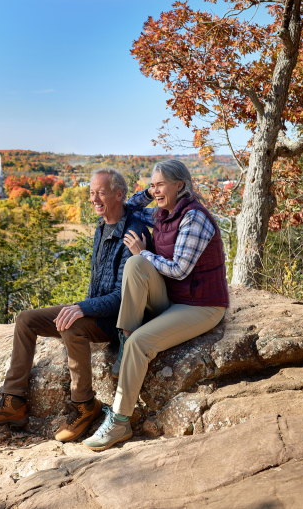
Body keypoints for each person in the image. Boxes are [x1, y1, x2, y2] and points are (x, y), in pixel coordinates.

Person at [0, 167, 153, 442]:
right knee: (25, 320)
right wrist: (82, 306)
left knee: (72, 328)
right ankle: (14, 402)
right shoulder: (102, 224)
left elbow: (123, 297)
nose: (94, 199)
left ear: (119, 194)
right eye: (91, 193)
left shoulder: (134, 234)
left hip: (116, 320)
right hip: (95, 308)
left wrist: (82, 308)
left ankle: (84, 405)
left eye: (100, 193)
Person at [83, 159, 229, 451]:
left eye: (161, 183)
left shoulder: (194, 218)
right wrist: (151, 193)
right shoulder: (162, 214)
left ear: (180, 185)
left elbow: (179, 270)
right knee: (136, 263)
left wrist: (144, 252)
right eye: (152, 184)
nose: (155, 190)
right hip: (174, 299)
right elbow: (132, 207)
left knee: (141, 340)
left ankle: (121, 420)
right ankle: (125, 339)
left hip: (201, 305)